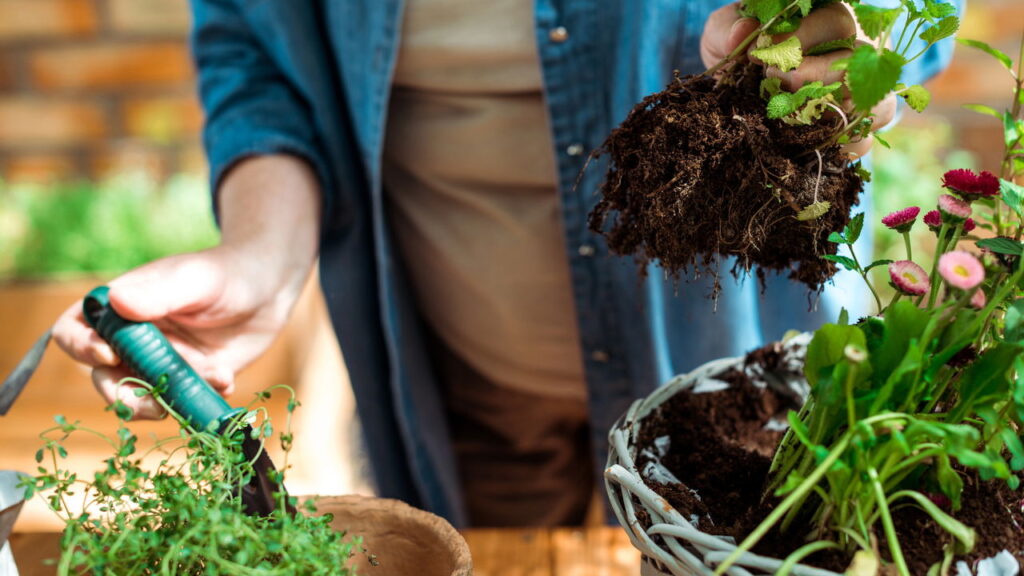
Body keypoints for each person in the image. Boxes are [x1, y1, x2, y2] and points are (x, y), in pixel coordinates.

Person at [53, 0, 956, 528]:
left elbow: (917, 15)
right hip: (465, 410)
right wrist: (260, 257)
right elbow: (259, 50)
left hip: (744, 387)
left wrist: (859, 50)